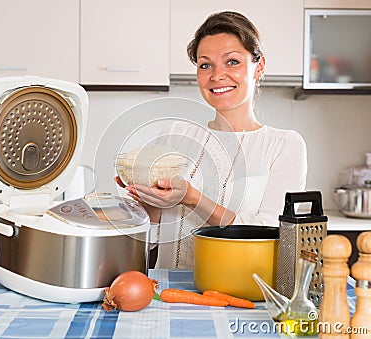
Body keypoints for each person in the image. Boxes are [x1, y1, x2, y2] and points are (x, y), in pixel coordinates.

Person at [116, 11, 307, 269]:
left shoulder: (283, 146)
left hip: (242, 290)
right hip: (168, 293)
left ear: (258, 67)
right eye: (205, 65)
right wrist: (147, 204)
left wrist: (193, 199)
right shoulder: (175, 135)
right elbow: (148, 240)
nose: (217, 75)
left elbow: (270, 233)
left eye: (232, 62)